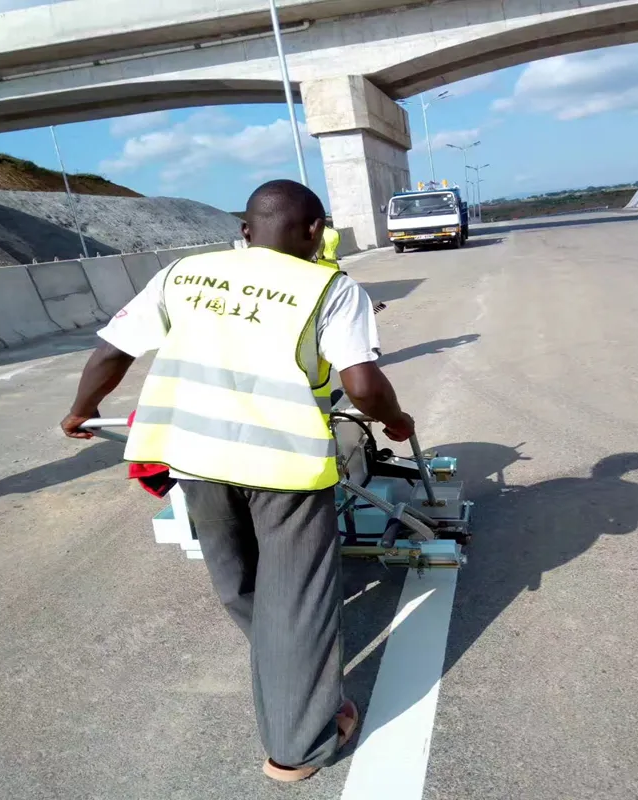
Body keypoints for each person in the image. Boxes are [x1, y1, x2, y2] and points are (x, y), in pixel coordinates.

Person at [60, 180, 414, 782]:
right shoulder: (331, 287)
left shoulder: (183, 273)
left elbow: (113, 349)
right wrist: (396, 419)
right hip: (282, 465)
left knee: (238, 580)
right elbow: (360, 384)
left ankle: (285, 660)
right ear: (315, 231)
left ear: (245, 230)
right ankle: (299, 744)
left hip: (194, 455)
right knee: (298, 599)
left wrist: (80, 407)